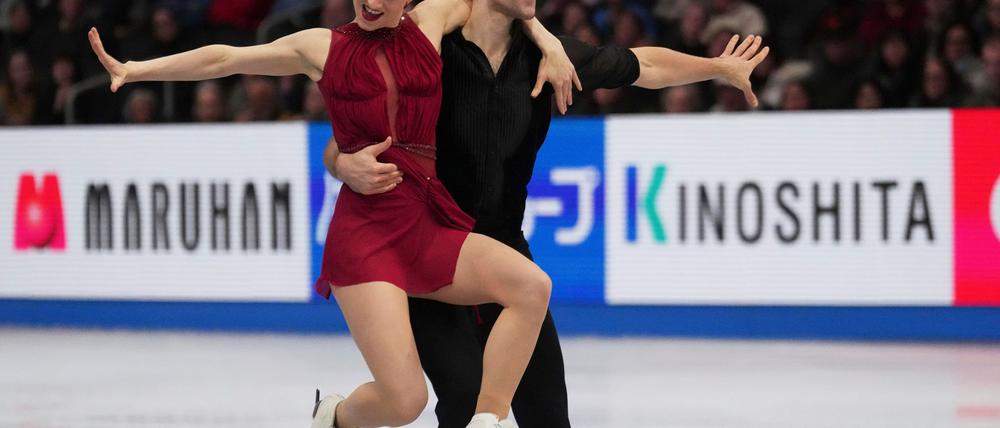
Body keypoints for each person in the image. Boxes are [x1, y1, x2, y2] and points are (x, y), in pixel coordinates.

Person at [85, 0, 579, 426]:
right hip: (367, 237)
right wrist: (137, 69)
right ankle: (336, 418)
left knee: (531, 287)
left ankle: (487, 420)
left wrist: (550, 43)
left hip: (427, 220)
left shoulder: (431, 22)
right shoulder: (322, 46)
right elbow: (227, 59)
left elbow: (506, 5)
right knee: (406, 401)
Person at [325, 0, 769, 423]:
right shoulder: (432, 46)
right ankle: (337, 419)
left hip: (502, 250)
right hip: (430, 247)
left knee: (547, 411)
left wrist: (716, 69)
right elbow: (351, 133)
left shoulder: (551, 56)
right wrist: (342, 163)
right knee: (462, 398)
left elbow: (642, 65)